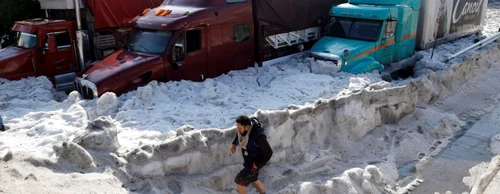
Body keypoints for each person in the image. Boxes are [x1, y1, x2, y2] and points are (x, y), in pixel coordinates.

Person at [231, 115, 273, 194]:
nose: (238, 130)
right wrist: (234, 143)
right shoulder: (244, 130)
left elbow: (269, 152)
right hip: (249, 160)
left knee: (240, 181)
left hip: (254, 163)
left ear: (247, 127)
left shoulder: (258, 137)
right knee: (253, 179)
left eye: (239, 128)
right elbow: (239, 134)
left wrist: (258, 164)